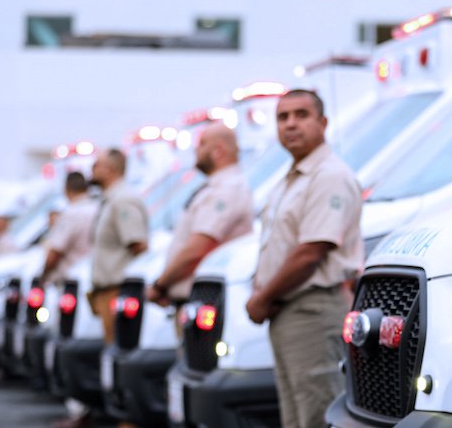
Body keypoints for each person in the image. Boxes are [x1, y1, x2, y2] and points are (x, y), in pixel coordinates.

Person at [246, 89, 364, 428]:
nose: (290, 124)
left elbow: (311, 252)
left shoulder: (329, 175)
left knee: (316, 413)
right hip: (288, 310)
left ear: (323, 122)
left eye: (301, 115)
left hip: (312, 310)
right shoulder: (293, 178)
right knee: (296, 416)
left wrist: (262, 298)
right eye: (282, 117)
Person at [145, 122, 254, 326]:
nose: (196, 150)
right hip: (196, 303)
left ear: (218, 150)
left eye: (202, 144)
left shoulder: (227, 189)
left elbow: (198, 248)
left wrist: (160, 285)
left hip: (205, 305)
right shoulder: (218, 187)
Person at [88, 148, 149, 345]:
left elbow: (138, 245)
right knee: (111, 348)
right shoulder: (110, 200)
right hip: (108, 292)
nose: (92, 170)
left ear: (110, 169)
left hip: (119, 292)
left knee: (118, 349)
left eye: (96, 165)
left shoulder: (123, 200)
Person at [41, 172, 98, 286]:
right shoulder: (99, 208)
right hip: (94, 276)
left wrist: (43, 276)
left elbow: (55, 251)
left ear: (66, 189)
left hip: (70, 282)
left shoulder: (71, 213)